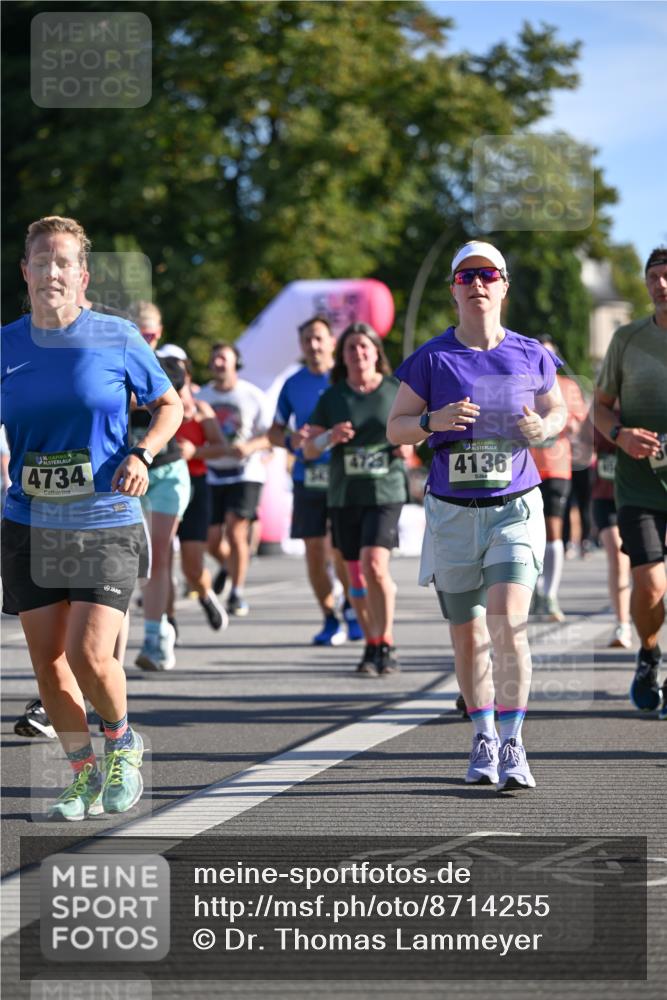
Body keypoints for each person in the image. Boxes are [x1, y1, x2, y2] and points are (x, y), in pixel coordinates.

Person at [1, 215, 183, 819]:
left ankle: (123, 743)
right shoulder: (6, 346)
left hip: (105, 516)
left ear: (82, 276)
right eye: (40, 260)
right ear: (24, 271)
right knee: (50, 668)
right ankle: (83, 774)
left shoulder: (117, 336)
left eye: (63, 262)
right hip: (30, 520)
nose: (51, 271)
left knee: (87, 653)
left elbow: (168, 404)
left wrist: (142, 451)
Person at [387, 240, 567, 790]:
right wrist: (432, 421)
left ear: (504, 285)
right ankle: (482, 735)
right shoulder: (432, 358)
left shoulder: (531, 353)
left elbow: (556, 407)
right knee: (466, 636)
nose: (477, 283)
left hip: (514, 507)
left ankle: (513, 743)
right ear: (454, 290)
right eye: (466, 276)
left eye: (488, 274)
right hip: (451, 513)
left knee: (508, 621)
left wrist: (546, 427)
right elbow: (396, 427)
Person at [304, 322, 410, 676]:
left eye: (364, 346)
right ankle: (371, 643)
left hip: (385, 491)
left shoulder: (395, 389)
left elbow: (416, 436)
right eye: (351, 347)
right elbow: (308, 448)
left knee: (374, 565)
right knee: (355, 576)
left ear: (376, 352)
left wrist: (407, 445)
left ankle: (388, 641)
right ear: (343, 355)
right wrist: (330, 438)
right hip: (345, 493)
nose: (358, 353)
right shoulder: (332, 397)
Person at [593, 246, 667, 718]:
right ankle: (648, 654)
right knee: (651, 586)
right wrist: (620, 435)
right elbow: (598, 409)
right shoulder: (626, 338)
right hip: (639, 484)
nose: (661, 284)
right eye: (654, 276)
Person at [269, 315, 363, 646]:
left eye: (319, 338)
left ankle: (352, 608)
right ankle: (329, 616)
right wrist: (294, 441)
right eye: (307, 339)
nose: (313, 345)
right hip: (307, 476)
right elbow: (275, 431)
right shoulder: (293, 384)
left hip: (344, 476)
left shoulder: (346, 379)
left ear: (332, 343)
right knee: (313, 551)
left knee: (340, 550)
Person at [128, 302, 192, 670]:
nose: (144, 339)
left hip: (166, 472)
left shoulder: (169, 368)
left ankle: (156, 637)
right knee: (133, 560)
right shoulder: (111, 364)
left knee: (158, 556)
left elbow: (167, 401)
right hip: (127, 474)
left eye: (150, 334)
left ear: (160, 334)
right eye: (137, 332)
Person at [198, 342, 271, 618]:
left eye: (223, 358)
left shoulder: (252, 395)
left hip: (246, 472)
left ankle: (237, 593)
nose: (218, 363)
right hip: (213, 472)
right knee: (212, 540)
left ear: (236, 363)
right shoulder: (202, 396)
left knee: (236, 529)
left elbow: (270, 434)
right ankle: (229, 566)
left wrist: (250, 448)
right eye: (214, 358)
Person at [166, 346, 229, 631]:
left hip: (195, 487)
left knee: (192, 565)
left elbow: (220, 448)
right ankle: (167, 624)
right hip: (162, 487)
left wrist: (195, 452)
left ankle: (205, 594)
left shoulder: (201, 410)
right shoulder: (152, 406)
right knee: (161, 563)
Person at [530, 335, 588, 622]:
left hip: (556, 467)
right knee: (527, 533)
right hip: (524, 469)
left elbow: (579, 423)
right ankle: (533, 591)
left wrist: (565, 421)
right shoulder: (521, 384)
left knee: (553, 530)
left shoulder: (568, 387)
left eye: (549, 356)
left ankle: (550, 595)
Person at [587, 412, 632, 648]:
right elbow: (583, 446)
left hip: (641, 496)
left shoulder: (643, 402)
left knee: (648, 567)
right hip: (605, 496)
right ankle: (622, 623)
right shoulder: (598, 410)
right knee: (617, 554)